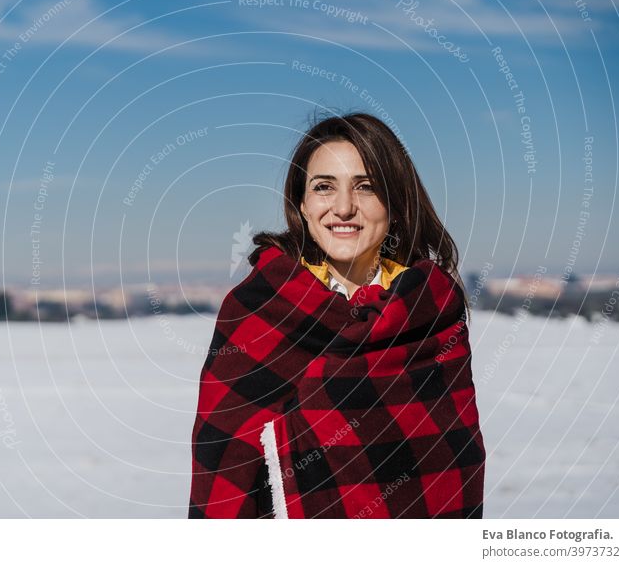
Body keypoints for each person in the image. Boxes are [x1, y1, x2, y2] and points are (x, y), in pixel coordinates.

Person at [188, 111, 485, 518]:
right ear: (303, 205)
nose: (343, 207)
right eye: (324, 187)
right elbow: (221, 463)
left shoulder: (429, 310)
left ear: (395, 203)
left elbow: (452, 465)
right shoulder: (257, 309)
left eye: (366, 187)